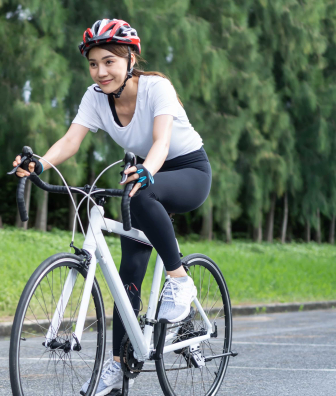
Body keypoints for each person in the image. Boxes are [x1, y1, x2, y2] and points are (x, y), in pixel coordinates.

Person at [12, 18, 212, 396]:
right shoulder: (94, 97)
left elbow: (162, 143)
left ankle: (180, 281)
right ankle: (120, 367)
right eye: (93, 63)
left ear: (130, 59)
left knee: (142, 193)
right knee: (128, 275)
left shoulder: (157, 87)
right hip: (141, 173)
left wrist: (147, 172)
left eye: (109, 62)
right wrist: (39, 162)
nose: (100, 71)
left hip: (185, 170)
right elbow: (71, 141)